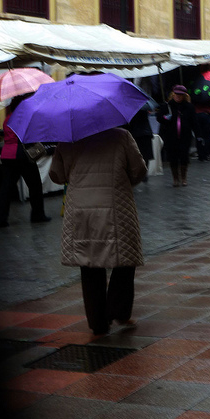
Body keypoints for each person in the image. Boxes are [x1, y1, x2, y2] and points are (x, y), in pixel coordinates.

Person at [49, 128, 147, 336]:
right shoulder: (121, 136)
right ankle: (118, 310)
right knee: (125, 259)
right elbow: (138, 170)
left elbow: (57, 175)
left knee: (89, 263)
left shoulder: (67, 140)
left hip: (80, 211)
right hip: (116, 206)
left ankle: (98, 323)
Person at [0, 94, 50, 228]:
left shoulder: (7, 118)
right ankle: (37, 215)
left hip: (7, 154)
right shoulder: (22, 118)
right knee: (35, 185)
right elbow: (29, 136)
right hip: (21, 154)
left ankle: (1, 218)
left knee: (6, 188)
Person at [156, 85, 200, 187]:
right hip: (171, 136)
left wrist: (198, 135)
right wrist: (165, 118)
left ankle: (183, 178)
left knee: (184, 156)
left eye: (180, 95)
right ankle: (175, 178)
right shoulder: (167, 106)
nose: (178, 96)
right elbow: (159, 118)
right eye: (176, 94)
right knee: (173, 157)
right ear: (173, 94)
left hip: (185, 136)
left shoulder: (189, 107)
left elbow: (194, 122)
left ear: (184, 95)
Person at [125, 105, 154, 182]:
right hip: (145, 133)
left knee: (135, 155)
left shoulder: (129, 109)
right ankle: (144, 173)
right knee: (145, 155)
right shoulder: (143, 106)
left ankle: (137, 173)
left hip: (136, 134)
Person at [194, 96, 210, 161]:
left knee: (198, 136)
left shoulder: (194, 94)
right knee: (207, 136)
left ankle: (200, 154)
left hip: (196, 115)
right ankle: (206, 154)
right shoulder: (208, 94)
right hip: (206, 115)